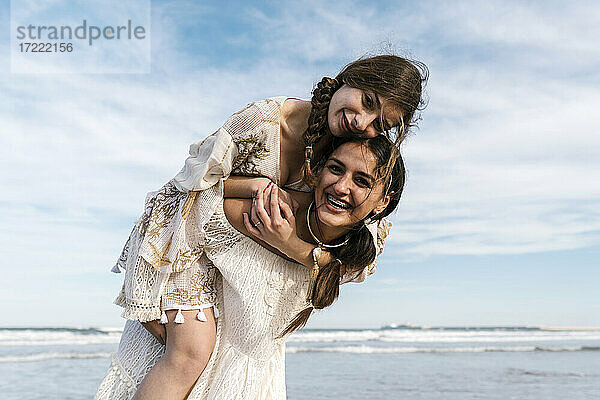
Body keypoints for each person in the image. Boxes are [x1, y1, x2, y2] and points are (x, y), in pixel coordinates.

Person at [109, 55, 427, 399]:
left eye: (379, 122)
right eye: (367, 101)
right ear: (349, 77)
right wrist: (256, 186)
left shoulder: (353, 151)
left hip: (237, 266)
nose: (361, 121)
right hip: (183, 243)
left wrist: (291, 243)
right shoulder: (264, 122)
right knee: (192, 355)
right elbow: (182, 192)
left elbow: (361, 247)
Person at [95, 135, 406, 399]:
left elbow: (348, 266)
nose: (340, 186)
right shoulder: (267, 212)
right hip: (196, 362)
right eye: (335, 169)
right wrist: (149, 303)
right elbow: (172, 213)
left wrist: (290, 245)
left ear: (383, 201)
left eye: (362, 181)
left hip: (258, 379)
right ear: (318, 171)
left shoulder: (359, 250)